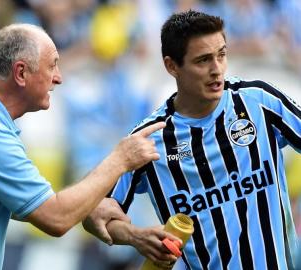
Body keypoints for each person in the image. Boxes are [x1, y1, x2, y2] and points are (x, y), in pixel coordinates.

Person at [0, 24, 166, 270]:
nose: (59, 77)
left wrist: (89, 206)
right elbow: (55, 218)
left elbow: (27, 205)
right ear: (21, 72)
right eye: (52, 66)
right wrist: (120, 158)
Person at [83, 10, 301, 270]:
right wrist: (135, 237)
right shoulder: (150, 139)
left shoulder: (259, 101)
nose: (216, 70)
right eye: (203, 60)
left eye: (221, 55)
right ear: (172, 66)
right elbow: (94, 213)